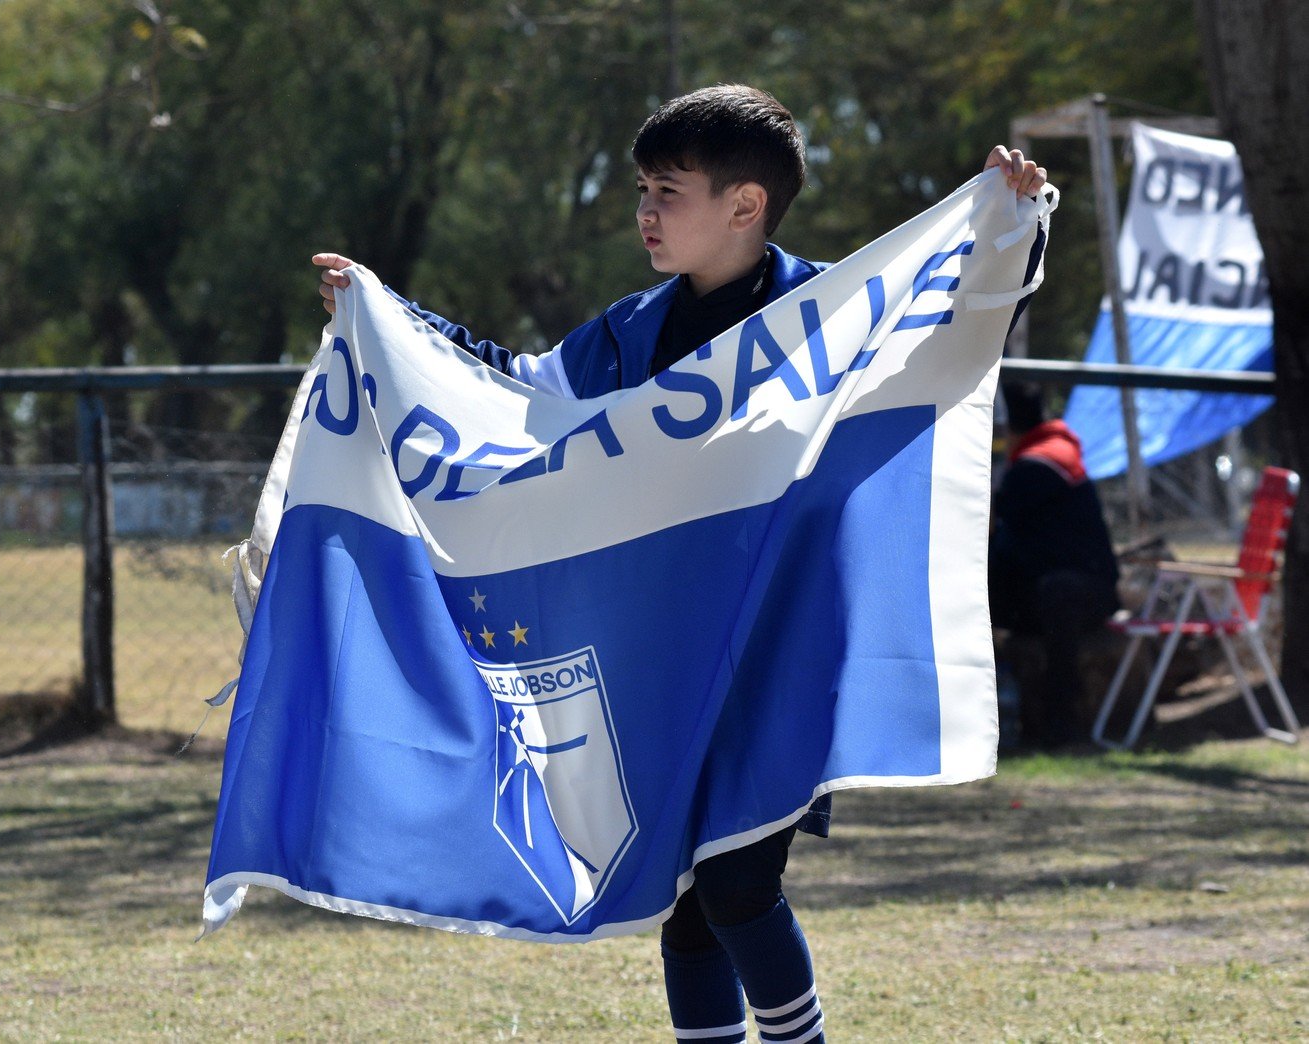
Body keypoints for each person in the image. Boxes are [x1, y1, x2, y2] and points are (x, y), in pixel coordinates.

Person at [314, 84, 1047, 1044]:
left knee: (742, 884)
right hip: (654, 656)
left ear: (745, 206)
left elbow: (960, 314)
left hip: (781, 648)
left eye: (668, 190)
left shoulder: (833, 314)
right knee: (685, 894)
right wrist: (386, 319)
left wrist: (1013, 224)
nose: (644, 212)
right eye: (642, 189)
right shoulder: (626, 332)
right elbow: (514, 392)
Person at [990, 381, 1120, 749]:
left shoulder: (1038, 464)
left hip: (1077, 597)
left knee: (1052, 593)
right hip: (1080, 590)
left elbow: (994, 526)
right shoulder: (1053, 452)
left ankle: (1061, 724)